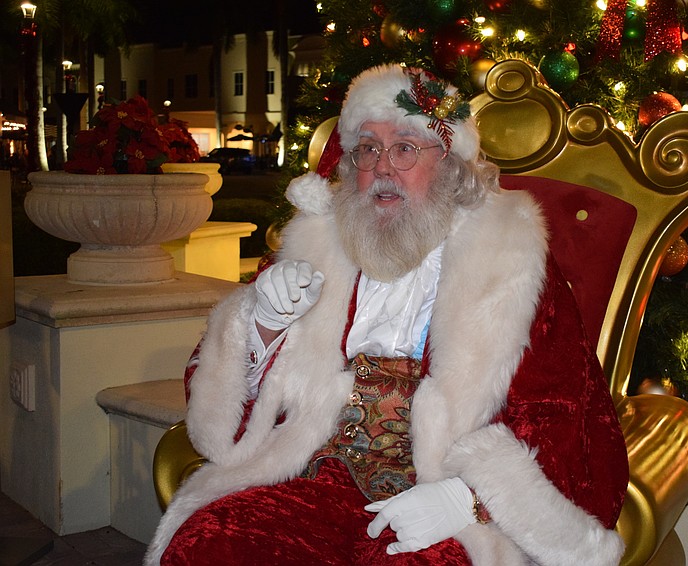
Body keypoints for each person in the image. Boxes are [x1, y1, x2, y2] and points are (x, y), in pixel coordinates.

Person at [146, 64, 629, 566]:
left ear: (449, 164)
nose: (381, 167)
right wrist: (264, 323)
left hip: (437, 493)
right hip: (312, 472)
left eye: (404, 148)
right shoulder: (315, 244)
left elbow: (566, 415)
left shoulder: (510, 261)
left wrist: (469, 499)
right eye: (367, 149)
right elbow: (217, 411)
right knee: (208, 543)